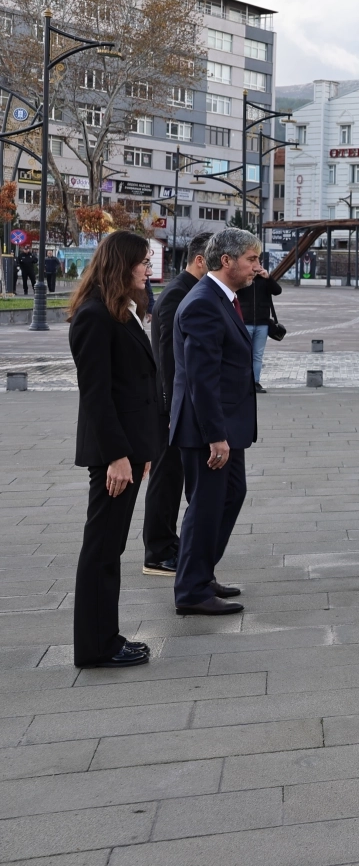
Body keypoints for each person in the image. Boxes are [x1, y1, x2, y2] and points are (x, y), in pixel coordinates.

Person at [67, 231, 166, 669]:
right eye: (143, 262)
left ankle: (105, 638)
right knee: (102, 550)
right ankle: (97, 647)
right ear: (121, 265)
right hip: (114, 454)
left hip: (129, 448)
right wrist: (117, 456)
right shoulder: (94, 316)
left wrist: (141, 450)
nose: (148, 269)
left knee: (110, 548)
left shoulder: (120, 310)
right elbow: (97, 395)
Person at [170, 228, 259, 616]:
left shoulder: (223, 298)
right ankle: (191, 591)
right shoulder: (203, 303)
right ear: (227, 261)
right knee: (206, 506)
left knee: (230, 495)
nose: (257, 267)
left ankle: (201, 573)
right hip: (207, 431)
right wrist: (215, 436)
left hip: (226, 427)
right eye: (251, 259)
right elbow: (200, 378)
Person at [141, 233, 210, 577]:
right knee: (166, 477)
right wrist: (171, 410)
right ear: (200, 261)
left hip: (177, 402)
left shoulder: (189, 290)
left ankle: (168, 543)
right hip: (169, 404)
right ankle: (158, 550)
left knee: (173, 475)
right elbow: (168, 359)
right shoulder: (177, 295)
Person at [238, 263, 282, 393]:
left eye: (257, 264)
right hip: (245, 322)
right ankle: (243, 383)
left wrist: (268, 277)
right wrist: (246, 276)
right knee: (244, 354)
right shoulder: (243, 279)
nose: (255, 267)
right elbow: (233, 289)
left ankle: (255, 382)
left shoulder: (265, 280)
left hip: (262, 323)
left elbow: (277, 291)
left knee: (257, 355)